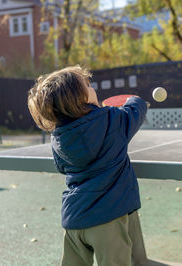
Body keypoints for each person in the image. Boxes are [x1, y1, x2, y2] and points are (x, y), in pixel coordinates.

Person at [27, 65, 148, 266]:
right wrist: (135, 99)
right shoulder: (111, 119)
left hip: (75, 219)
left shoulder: (58, 138)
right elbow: (135, 112)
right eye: (88, 85)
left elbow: (62, 167)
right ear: (81, 97)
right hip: (109, 218)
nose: (93, 87)